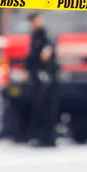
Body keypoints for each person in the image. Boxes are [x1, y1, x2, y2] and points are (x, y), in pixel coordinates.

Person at [25, 12, 59, 147]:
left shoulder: (45, 34)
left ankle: (49, 138)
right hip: (38, 76)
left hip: (47, 76)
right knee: (40, 108)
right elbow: (32, 56)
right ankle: (41, 137)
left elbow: (47, 52)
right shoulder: (35, 35)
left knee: (48, 108)